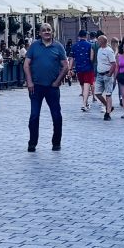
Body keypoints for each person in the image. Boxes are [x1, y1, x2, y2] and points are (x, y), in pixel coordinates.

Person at [24, 23, 70, 152]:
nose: (46, 32)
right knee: (34, 115)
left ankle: (56, 142)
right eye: (44, 30)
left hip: (52, 87)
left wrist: (57, 81)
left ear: (52, 32)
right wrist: (29, 82)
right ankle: (32, 143)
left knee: (56, 116)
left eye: (49, 30)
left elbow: (66, 66)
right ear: (40, 33)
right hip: (36, 87)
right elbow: (26, 65)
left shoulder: (58, 47)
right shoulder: (34, 46)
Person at [94, 32, 117, 120]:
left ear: (103, 41)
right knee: (97, 93)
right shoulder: (100, 50)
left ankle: (108, 113)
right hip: (100, 74)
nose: (97, 42)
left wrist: (110, 74)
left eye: (98, 40)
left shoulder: (109, 50)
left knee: (108, 94)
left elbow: (113, 64)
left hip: (107, 74)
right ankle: (108, 106)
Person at [72, 33, 97, 112]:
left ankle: (86, 103)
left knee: (83, 87)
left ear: (79, 36)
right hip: (88, 68)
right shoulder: (90, 45)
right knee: (86, 87)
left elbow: (71, 58)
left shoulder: (74, 46)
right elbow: (91, 58)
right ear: (86, 36)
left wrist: (70, 69)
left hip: (79, 69)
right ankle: (84, 104)